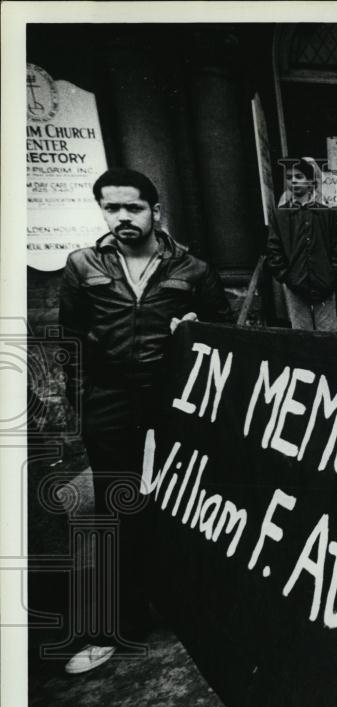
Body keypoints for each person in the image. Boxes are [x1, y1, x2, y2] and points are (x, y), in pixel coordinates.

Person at [59, 168, 233, 673]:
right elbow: (70, 341)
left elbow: (226, 338)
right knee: (117, 512)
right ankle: (120, 626)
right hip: (110, 403)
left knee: (186, 506)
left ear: (155, 211)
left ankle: (197, 610)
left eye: (132, 207)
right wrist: (86, 405)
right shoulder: (82, 265)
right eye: (111, 208)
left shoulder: (193, 269)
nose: (122, 217)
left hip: (171, 406)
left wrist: (197, 331)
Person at [265, 157, 337, 331]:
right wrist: (286, 276)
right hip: (295, 284)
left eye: (299, 177)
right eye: (289, 177)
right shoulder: (280, 215)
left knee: (328, 333)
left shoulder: (326, 213)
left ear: (310, 182)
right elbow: (274, 249)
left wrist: (334, 275)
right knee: (301, 333)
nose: (293, 181)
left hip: (325, 283)